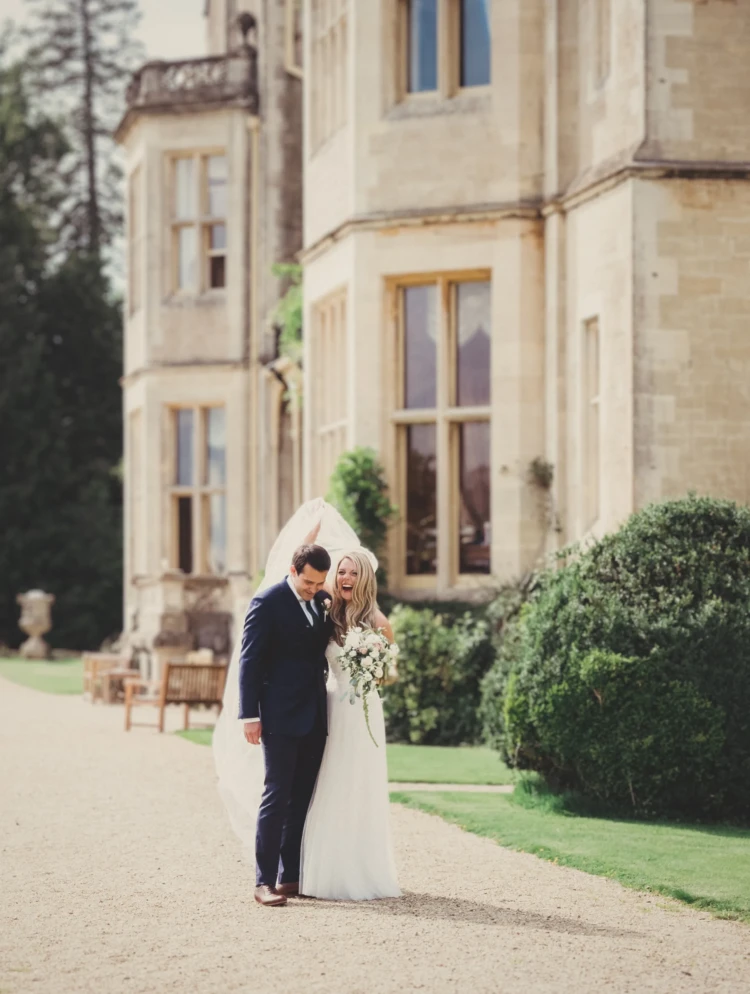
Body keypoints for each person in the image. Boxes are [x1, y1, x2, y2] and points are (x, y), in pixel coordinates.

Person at [212, 499, 401, 906]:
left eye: (322, 583)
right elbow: (250, 660)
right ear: (293, 571)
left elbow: (358, 611)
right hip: (279, 715)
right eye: (311, 582)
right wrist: (250, 714)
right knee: (276, 794)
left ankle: (290, 875)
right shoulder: (267, 602)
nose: (318, 589)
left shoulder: (323, 604)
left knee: (303, 797)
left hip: (319, 716)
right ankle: (263, 881)